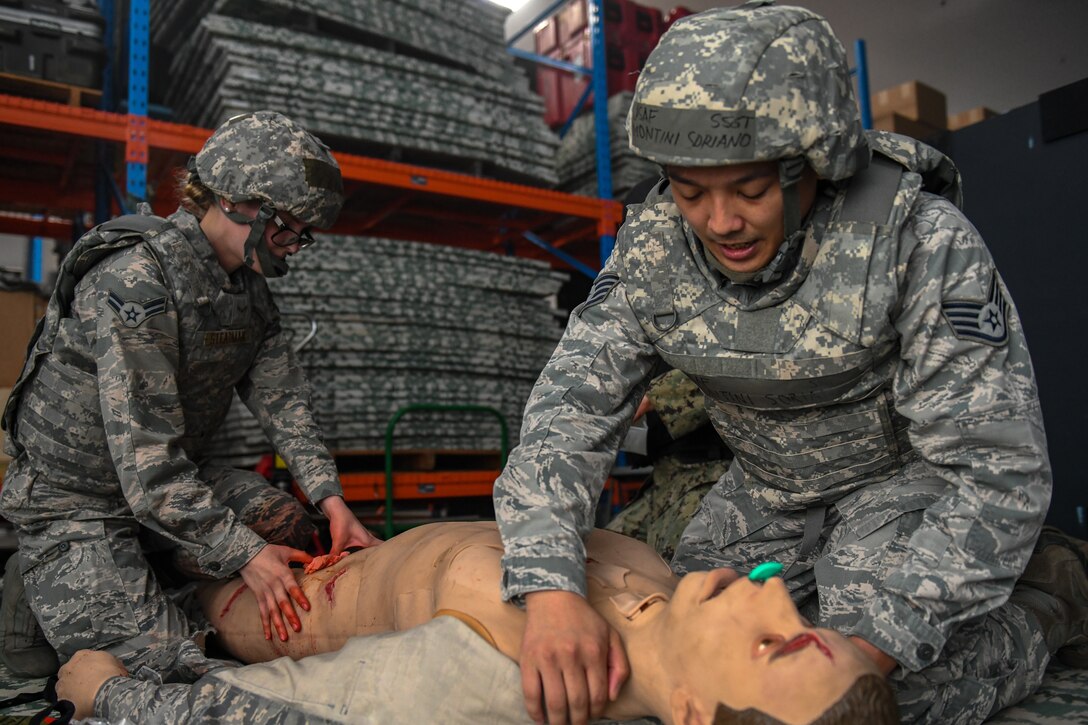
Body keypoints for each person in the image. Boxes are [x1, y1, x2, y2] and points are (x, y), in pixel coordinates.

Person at [491, 3, 1062, 724]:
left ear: (815, 165)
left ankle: (1045, 600)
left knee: (840, 702)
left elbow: (996, 468)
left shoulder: (918, 241)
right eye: (691, 191)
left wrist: (874, 646)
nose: (720, 222)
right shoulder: (655, 248)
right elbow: (568, 411)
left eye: (752, 190)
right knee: (680, 662)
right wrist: (549, 590)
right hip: (767, 493)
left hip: (902, 486)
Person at [0, 110, 380, 683]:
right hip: (80, 498)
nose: (295, 247)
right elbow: (148, 464)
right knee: (165, 675)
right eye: (286, 228)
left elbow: (283, 400)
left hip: (169, 485)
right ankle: (35, 581)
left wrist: (331, 501)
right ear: (233, 201)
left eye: (305, 234)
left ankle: (148, 567)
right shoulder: (136, 282)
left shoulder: (247, 290)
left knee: (292, 529)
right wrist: (244, 556)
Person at [55, 520, 899, 724]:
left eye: (769, 640)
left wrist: (110, 694)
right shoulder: (661, 580)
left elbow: (267, 715)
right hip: (319, 539)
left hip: (251, 597)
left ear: (687, 712)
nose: (771, 589)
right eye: (802, 615)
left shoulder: (490, 680)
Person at [606, 369, 731, 560]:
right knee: (602, 559)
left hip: (708, 475)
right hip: (664, 476)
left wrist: (654, 396)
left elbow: (737, 365)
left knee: (678, 571)